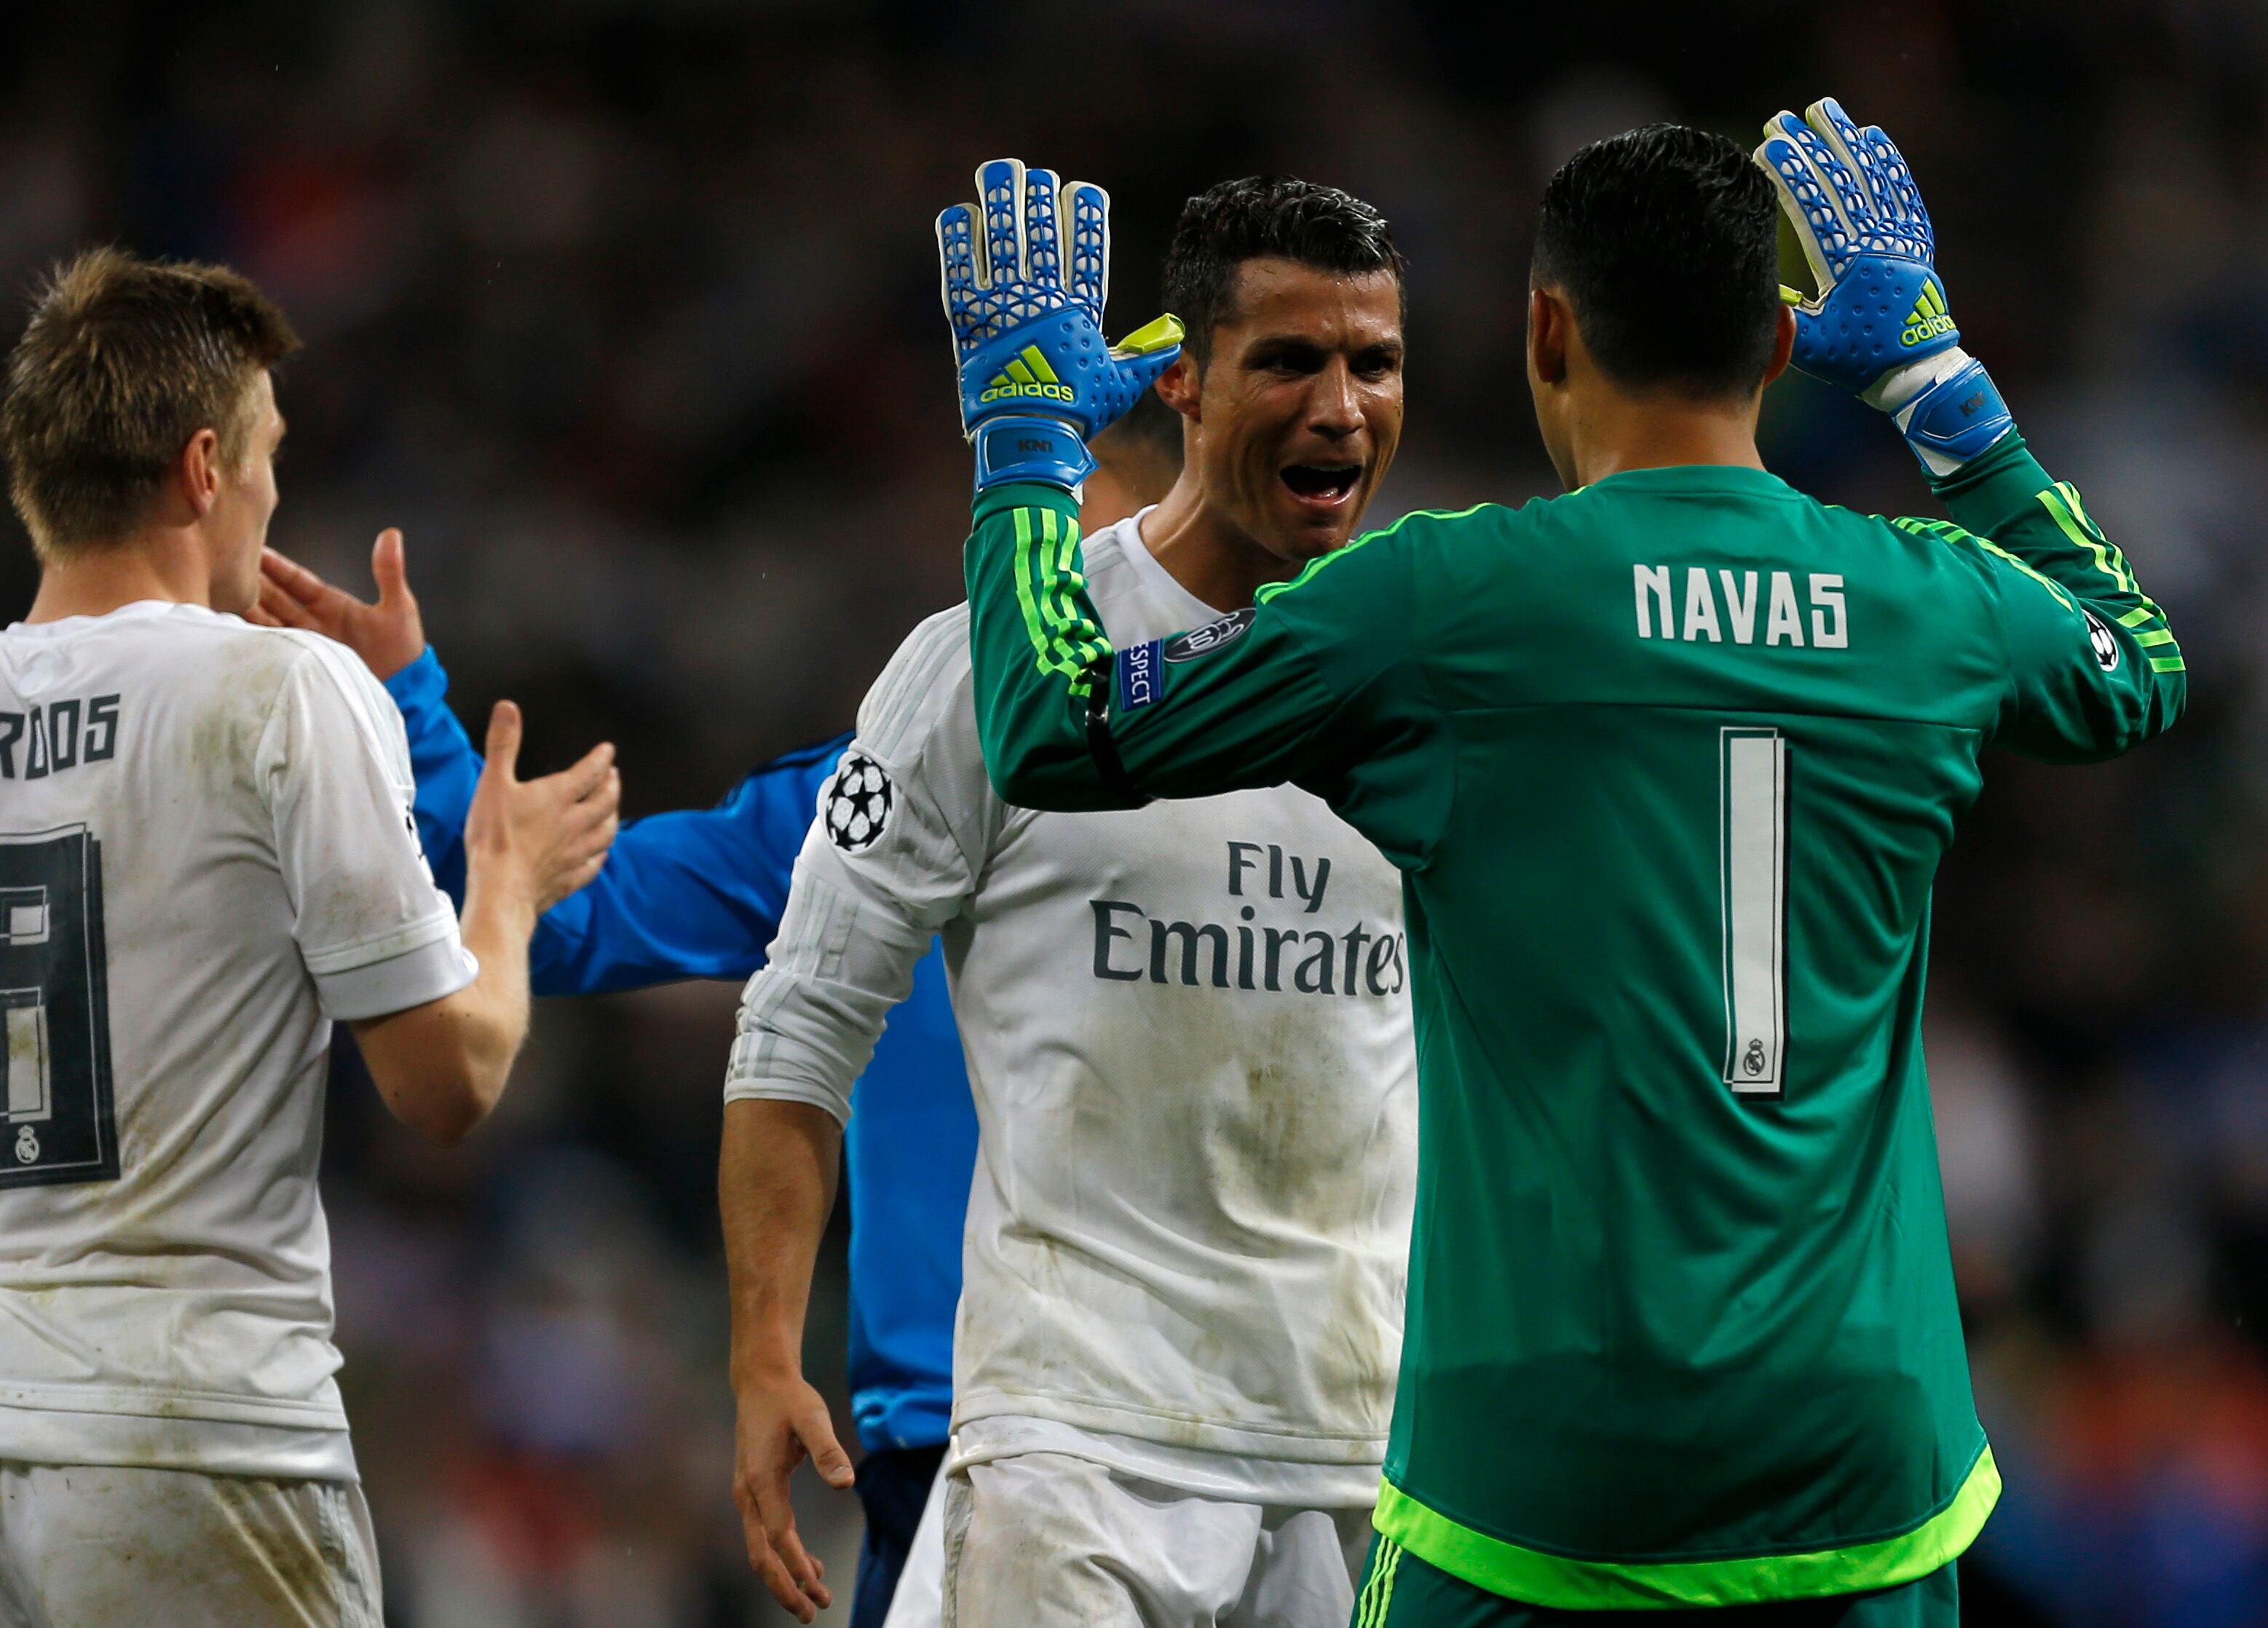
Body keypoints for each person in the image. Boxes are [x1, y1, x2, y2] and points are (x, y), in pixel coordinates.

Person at [952, 110, 2184, 1627]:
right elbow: (2136, 665)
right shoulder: (1936, 602)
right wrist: (1940, 386)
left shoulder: (1443, 601)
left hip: (1537, 1476)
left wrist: (1025, 445)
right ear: (1780, 346)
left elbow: (1052, 725)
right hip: (1861, 1466)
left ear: (1546, 331)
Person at [245, 399, 1183, 1628]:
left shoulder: (1315, 796)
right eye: (1010, 533)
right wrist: (408, 711)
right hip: (960, 1446)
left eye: (1074, 538)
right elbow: (569, 913)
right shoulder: (879, 796)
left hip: (1239, 1432)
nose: (1031, 581)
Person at [727, 170, 1419, 1628]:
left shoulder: (1431, 671)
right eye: (1289, 360)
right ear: (1181, 380)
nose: (1340, 407)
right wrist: (763, 1351)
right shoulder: (982, 665)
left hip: (1371, 1455)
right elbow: (801, 1021)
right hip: (1075, 1439)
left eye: (1373, 363)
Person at [0, 248, 619, 1625]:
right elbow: (446, 1082)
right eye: (269, 453)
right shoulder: (280, 688)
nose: (275, 491)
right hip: (193, 1431)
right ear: (203, 468)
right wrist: (505, 884)